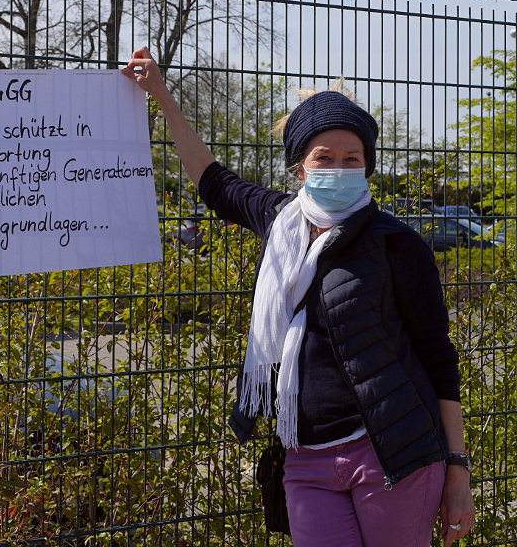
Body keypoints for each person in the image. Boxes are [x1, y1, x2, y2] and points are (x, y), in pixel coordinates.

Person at [122, 47, 477, 547]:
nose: (338, 168)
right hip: (305, 457)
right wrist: (161, 95)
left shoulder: (398, 244)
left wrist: (458, 472)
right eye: (323, 158)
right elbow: (211, 179)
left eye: (351, 159)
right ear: (299, 168)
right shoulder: (278, 222)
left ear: (367, 167)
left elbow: (440, 360)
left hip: (393, 457)